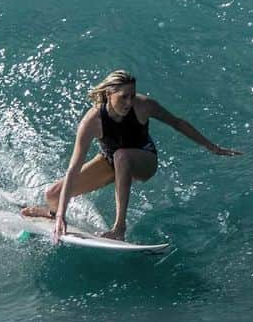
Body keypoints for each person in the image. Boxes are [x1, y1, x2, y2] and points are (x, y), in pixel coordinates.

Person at [21, 69, 241, 241]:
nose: (129, 102)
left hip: (143, 160)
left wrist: (212, 147)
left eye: (132, 96)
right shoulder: (92, 121)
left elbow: (177, 122)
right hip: (109, 162)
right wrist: (60, 214)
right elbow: (73, 168)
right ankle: (51, 215)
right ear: (109, 94)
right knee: (53, 195)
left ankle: (119, 227)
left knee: (122, 157)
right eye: (123, 97)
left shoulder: (143, 106)